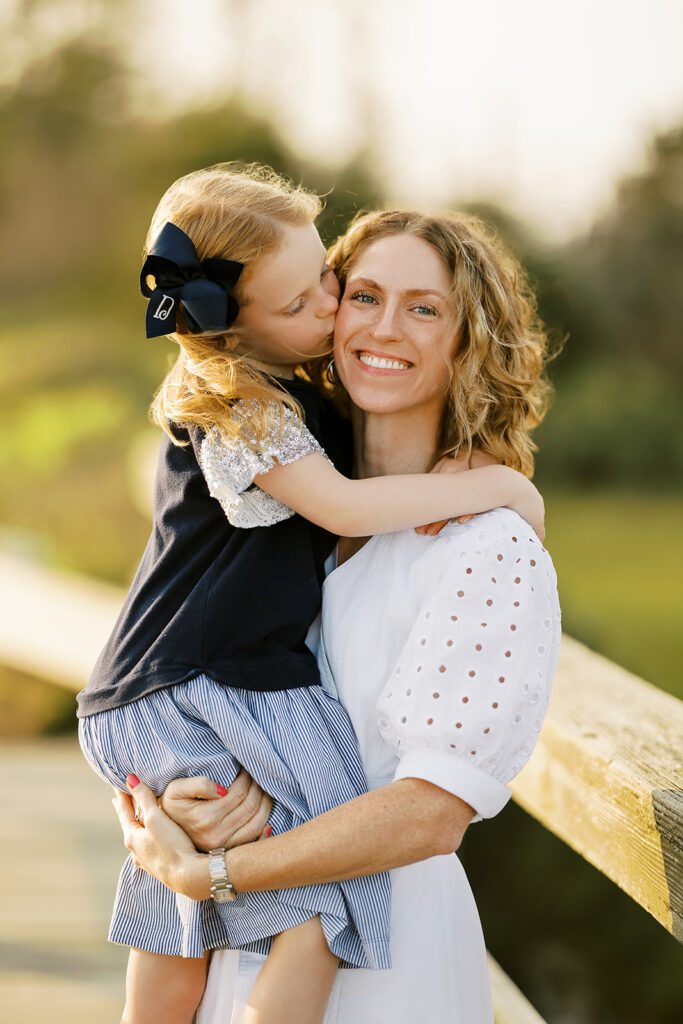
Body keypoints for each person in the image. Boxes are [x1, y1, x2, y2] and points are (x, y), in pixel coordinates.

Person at [77, 165, 545, 1024]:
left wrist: (210, 870)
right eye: (360, 292)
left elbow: (427, 816)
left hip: (386, 956)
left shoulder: (487, 545)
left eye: (424, 307)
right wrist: (165, 812)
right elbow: (186, 690)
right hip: (234, 948)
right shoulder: (290, 483)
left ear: (469, 339)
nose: (373, 324)